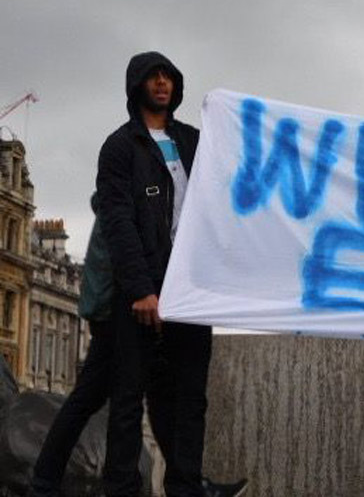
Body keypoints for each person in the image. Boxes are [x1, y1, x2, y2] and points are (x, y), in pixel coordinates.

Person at [28, 197, 247, 497]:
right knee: (91, 399)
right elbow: (111, 261)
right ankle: (44, 483)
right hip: (120, 314)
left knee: (157, 397)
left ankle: (190, 484)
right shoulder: (124, 197)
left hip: (134, 312)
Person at [97, 52, 211, 497]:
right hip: (141, 293)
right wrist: (142, 288)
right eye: (153, 77)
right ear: (137, 85)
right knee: (128, 399)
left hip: (192, 289)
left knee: (190, 399)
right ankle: (122, 489)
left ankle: (186, 487)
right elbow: (117, 220)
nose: (162, 84)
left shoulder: (196, 141)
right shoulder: (121, 146)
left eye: (168, 77)